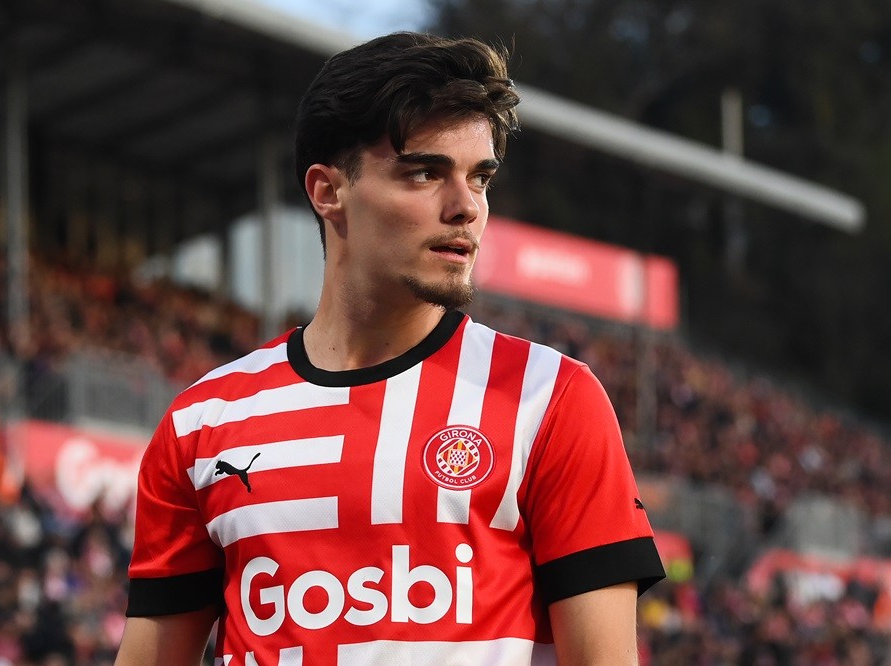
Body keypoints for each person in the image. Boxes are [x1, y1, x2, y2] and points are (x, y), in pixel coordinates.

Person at [115, 32, 665, 666]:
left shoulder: (549, 399)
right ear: (328, 191)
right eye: (425, 173)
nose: (466, 208)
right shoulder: (200, 422)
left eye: (479, 178)